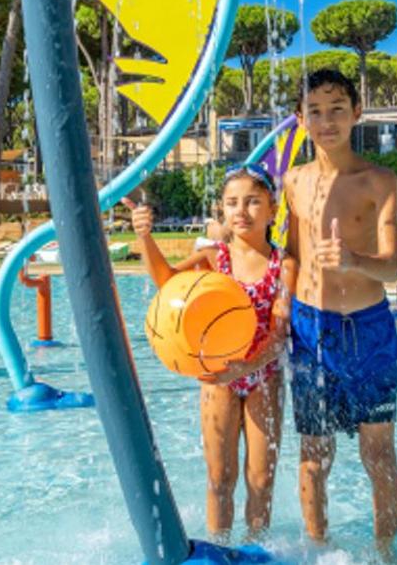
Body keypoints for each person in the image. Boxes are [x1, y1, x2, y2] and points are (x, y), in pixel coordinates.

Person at [123, 164, 297, 542]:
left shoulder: (283, 265)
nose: (241, 211)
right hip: (217, 378)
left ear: (272, 210)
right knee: (220, 477)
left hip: (263, 375)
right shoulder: (214, 258)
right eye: (232, 203)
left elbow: (279, 336)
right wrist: (145, 237)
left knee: (260, 478)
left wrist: (245, 367)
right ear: (222, 210)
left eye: (252, 202)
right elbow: (167, 282)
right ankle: (219, 549)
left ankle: (255, 550)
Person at [283, 69, 397, 552]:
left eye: (337, 110)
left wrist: (354, 260)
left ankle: (386, 554)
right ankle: (318, 549)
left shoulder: (378, 180)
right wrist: (279, 309)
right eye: (315, 111)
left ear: (357, 113)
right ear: (300, 119)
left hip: (369, 329)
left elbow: (393, 268)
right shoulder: (293, 181)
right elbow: (292, 255)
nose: (326, 121)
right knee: (314, 454)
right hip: (311, 328)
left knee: (379, 453)